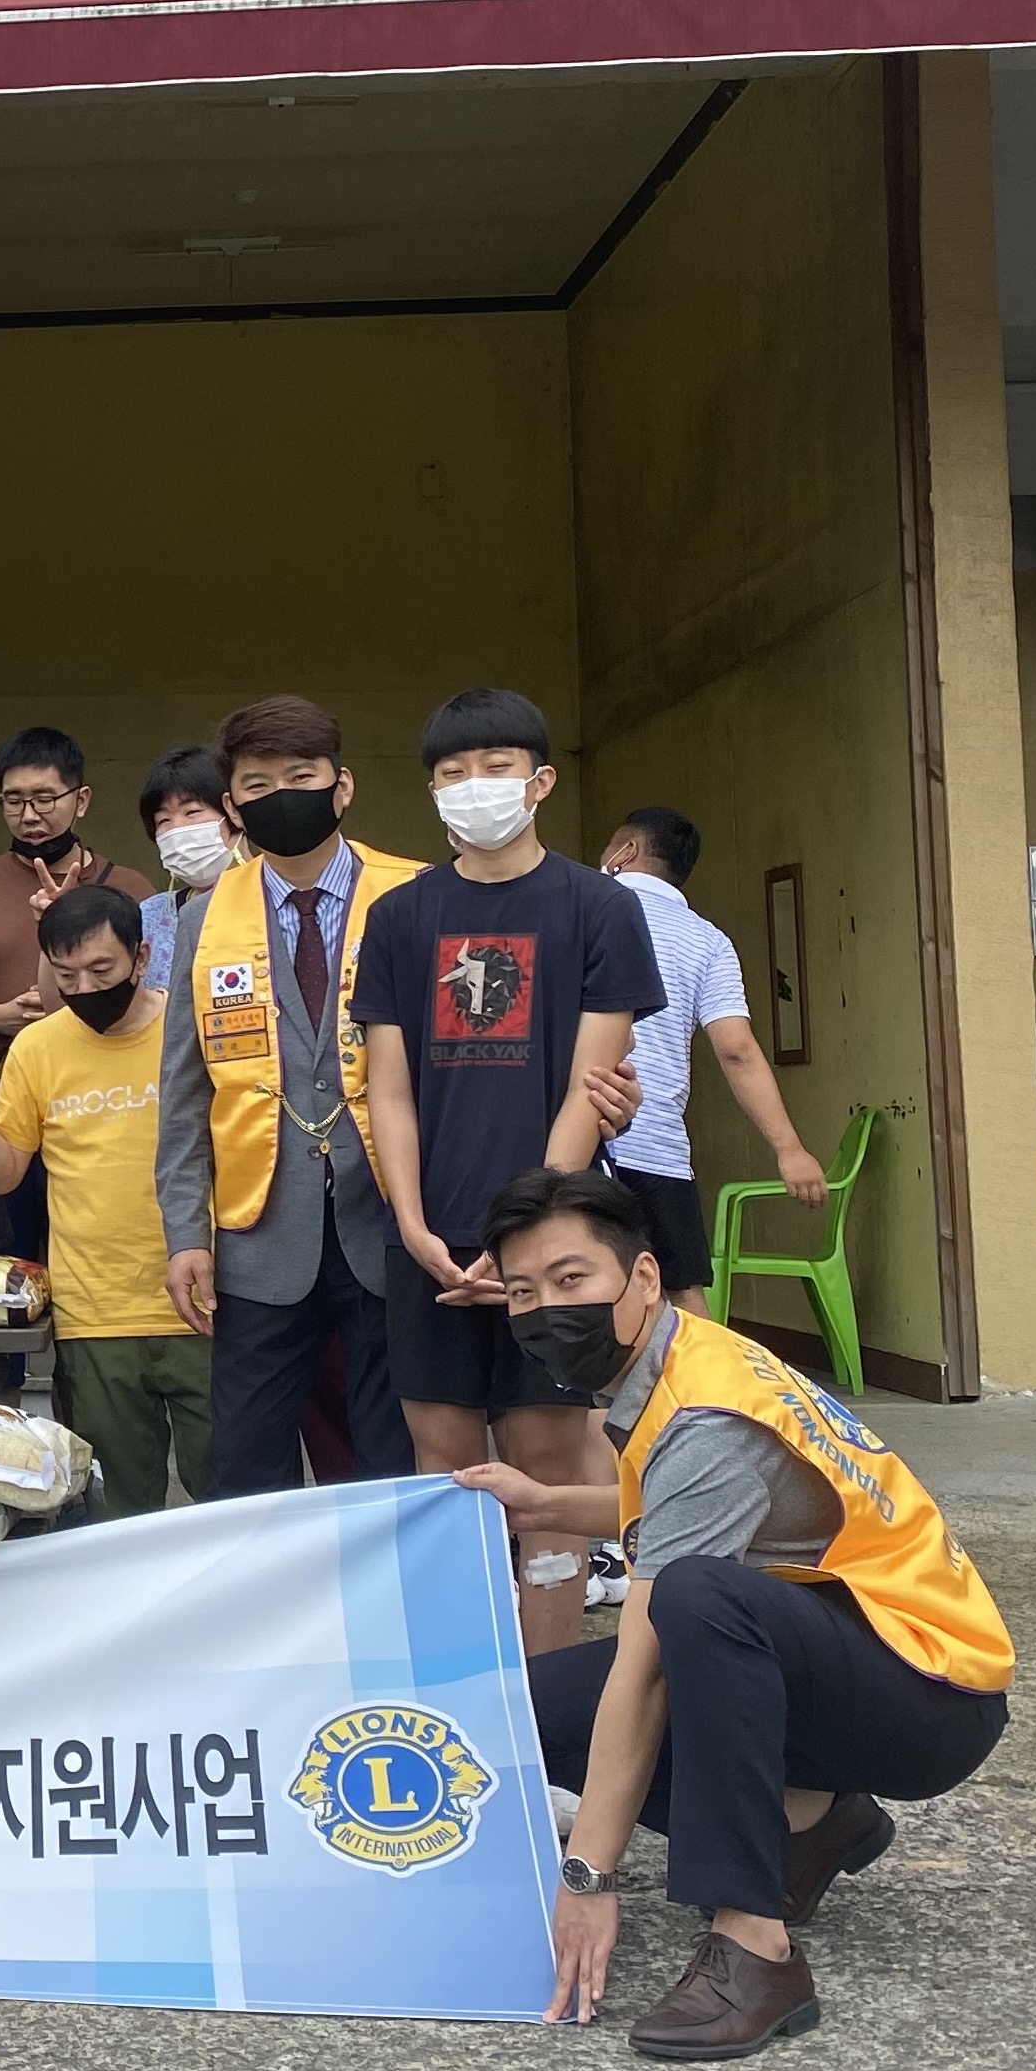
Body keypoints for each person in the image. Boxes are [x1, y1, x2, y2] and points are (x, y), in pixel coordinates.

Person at [460, 1165, 1012, 2061]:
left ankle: (755, 1948)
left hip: (932, 1693)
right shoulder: (681, 1354)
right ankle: (814, 1822)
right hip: (849, 1649)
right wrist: (547, 1503)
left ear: (642, 1276)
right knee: (530, 1708)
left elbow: (643, 1669)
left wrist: (588, 1877)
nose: (547, 1310)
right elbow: (675, 1508)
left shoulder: (706, 1418)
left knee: (696, 1603)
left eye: (571, 1279)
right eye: (522, 1292)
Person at [352, 688, 665, 1656]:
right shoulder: (399, 918)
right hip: (430, 1243)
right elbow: (388, 1090)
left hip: (552, 1246)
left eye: (494, 767)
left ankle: (547, 1694)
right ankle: (460, 1687)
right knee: (443, 1468)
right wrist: (412, 1225)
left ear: (540, 781)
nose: (472, 786)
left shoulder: (600, 908)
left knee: (548, 1468)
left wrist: (523, 1238)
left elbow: (589, 1086)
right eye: (451, 773)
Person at [154, 695, 418, 1498]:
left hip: (393, 1223)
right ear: (233, 806)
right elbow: (184, 1089)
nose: (282, 796)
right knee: (245, 1462)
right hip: (259, 1234)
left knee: (393, 1453)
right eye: (258, 784)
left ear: (342, 785)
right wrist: (185, 1233)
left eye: (301, 777)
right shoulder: (204, 919)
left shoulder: (413, 895)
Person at [0, 885, 205, 1519]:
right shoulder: (38, 1047)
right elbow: (5, 1174)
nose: (84, 988)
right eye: (67, 975)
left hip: (202, 1301)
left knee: (230, 1494)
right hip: (94, 1314)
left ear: (142, 957)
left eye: (102, 970)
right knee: (118, 1506)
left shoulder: (189, 1030)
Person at [0, 726, 158, 1260]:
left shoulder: (130, 888)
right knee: (8, 1267)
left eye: (44, 799)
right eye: (14, 801)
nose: (29, 815)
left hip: (105, 1109)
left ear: (81, 799)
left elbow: (154, 993)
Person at [602, 806, 829, 1314]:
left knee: (560, 1279)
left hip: (574, 1134)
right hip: (657, 1145)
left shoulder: (580, 908)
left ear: (626, 851)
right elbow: (736, 1049)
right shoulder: (706, 939)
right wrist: (790, 1149)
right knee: (681, 1289)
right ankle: (702, 1371)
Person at [133, 741, 237, 996]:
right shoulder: (149, 916)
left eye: (192, 812)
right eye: (164, 820)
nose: (177, 828)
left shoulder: (278, 898)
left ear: (235, 813)